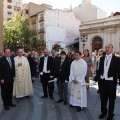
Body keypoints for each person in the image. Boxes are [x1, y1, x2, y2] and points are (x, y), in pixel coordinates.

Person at [92, 44, 120, 120]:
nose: (107, 49)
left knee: (111, 99)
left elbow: (119, 72)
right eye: (106, 48)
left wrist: (119, 84)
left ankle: (110, 114)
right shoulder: (101, 58)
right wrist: (94, 80)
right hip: (102, 82)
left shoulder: (116, 59)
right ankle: (103, 112)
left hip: (111, 83)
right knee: (103, 99)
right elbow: (98, 70)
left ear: (112, 49)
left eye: (109, 47)